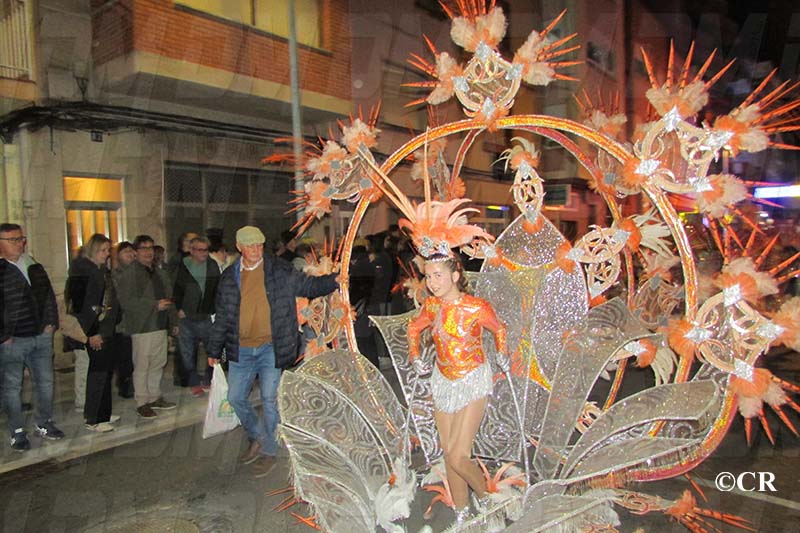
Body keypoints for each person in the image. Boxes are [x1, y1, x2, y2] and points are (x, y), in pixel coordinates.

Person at [207, 226, 338, 478]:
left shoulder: (279, 270)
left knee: (269, 399)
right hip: (241, 349)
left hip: (271, 346)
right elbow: (222, 315)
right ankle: (258, 436)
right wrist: (214, 348)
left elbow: (308, 286)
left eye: (259, 245)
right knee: (235, 398)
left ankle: (269, 451)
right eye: (250, 246)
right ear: (239, 247)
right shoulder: (229, 277)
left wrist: (334, 280)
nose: (256, 250)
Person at [407, 254, 508, 522]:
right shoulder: (431, 306)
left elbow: (499, 329)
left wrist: (502, 354)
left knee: (458, 456)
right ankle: (462, 512)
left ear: (454, 276)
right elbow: (414, 328)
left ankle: (489, 500)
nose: (432, 282)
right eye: (428, 276)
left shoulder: (476, 306)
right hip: (443, 382)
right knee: (448, 452)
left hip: (473, 380)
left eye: (438, 275)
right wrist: (415, 357)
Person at [0, 223, 65, 450]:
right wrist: (3, 336)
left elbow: (48, 297)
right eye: (13, 240)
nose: (19, 243)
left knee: (45, 383)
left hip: (40, 336)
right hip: (13, 341)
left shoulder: (33, 265)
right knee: (12, 387)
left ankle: (44, 422)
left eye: (21, 239)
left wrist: (51, 324)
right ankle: (17, 431)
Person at [116, 235, 177, 418]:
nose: (148, 252)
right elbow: (126, 301)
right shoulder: (130, 274)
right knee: (143, 364)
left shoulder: (159, 272)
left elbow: (170, 296)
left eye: (150, 247)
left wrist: (174, 322)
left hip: (160, 323)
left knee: (158, 362)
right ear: (136, 252)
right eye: (143, 248)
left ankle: (154, 396)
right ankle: (142, 401)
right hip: (142, 325)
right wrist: (154, 305)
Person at [65, 234, 121, 432]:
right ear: (92, 250)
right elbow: (80, 307)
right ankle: (93, 418)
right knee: (97, 373)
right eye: (102, 250)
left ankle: (104, 413)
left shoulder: (101, 271)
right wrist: (92, 333)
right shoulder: (81, 271)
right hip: (94, 329)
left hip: (106, 327)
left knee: (105, 372)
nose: (106, 254)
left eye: (108, 250)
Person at [173, 236, 219, 396]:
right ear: (191, 250)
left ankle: (209, 378)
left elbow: (216, 288)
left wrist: (214, 308)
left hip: (205, 314)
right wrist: (178, 308)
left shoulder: (212, 266)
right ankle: (193, 382)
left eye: (206, 250)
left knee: (212, 348)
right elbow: (175, 289)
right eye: (200, 250)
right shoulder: (182, 265)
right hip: (186, 316)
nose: (204, 253)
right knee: (187, 351)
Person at [112, 241, 136, 398]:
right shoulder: (115, 274)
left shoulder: (138, 272)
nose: (130, 255)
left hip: (137, 321)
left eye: (131, 251)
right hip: (122, 323)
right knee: (124, 357)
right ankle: (125, 385)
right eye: (126, 252)